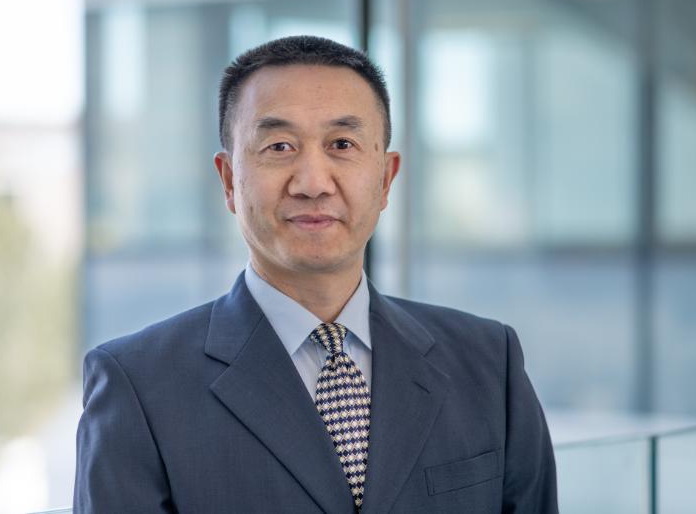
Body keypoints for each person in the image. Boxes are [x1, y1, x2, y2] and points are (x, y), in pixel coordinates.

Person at [74, 35, 557, 513]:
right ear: (228, 180)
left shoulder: (490, 364)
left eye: (342, 144)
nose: (312, 183)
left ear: (386, 178)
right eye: (279, 146)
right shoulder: (138, 385)